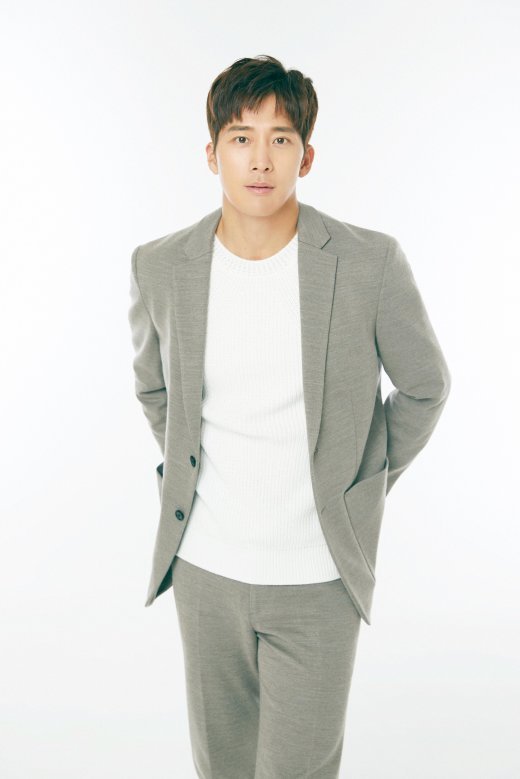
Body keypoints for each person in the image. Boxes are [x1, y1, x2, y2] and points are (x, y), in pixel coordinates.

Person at [128, 54, 451, 779]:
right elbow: (154, 390)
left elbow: (426, 387)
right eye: (241, 138)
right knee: (221, 768)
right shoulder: (161, 265)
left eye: (280, 139)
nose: (260, 159)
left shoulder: (368, 262)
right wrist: (190, 470)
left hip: (317, 578)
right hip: (205, 573)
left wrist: (358, 485)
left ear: (306, 155)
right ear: (211, 153)